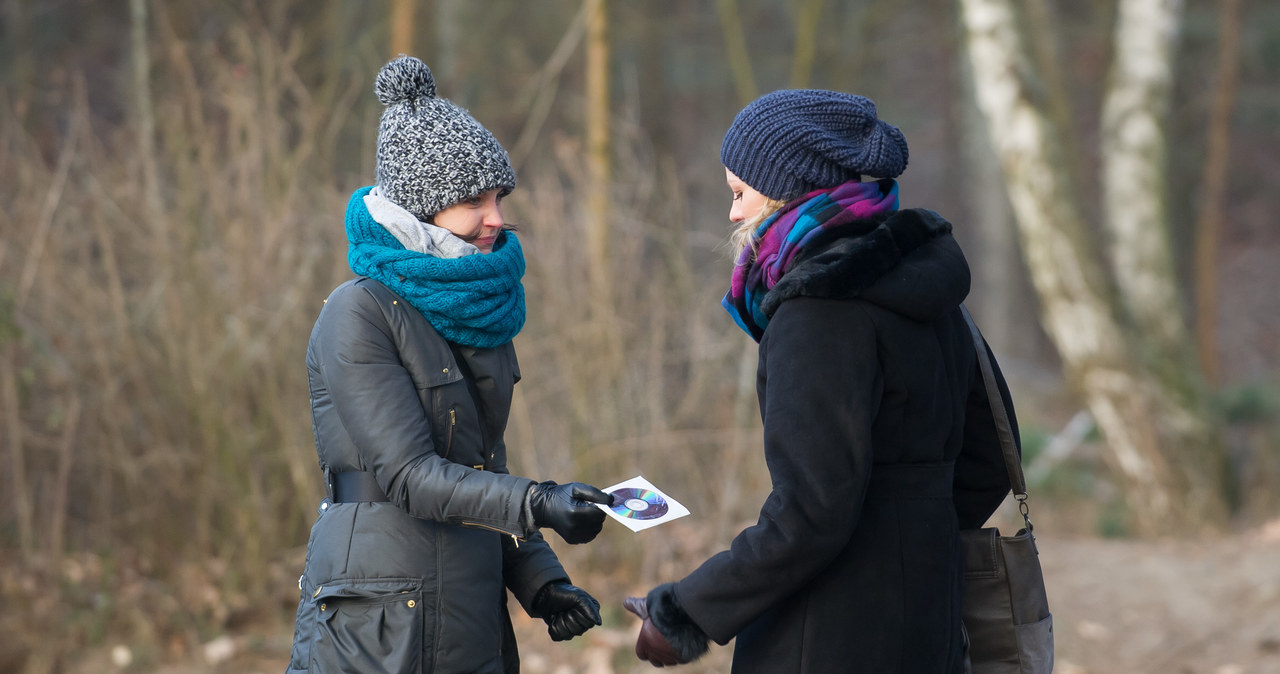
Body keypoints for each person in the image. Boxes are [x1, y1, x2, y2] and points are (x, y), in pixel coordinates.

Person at [624, 89, 1020, 672]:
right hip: (931, 619)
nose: (733, 214)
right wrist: (911, 541)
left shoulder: (818, 307)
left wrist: (685, 610)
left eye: (739, 193)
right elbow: (990, 457)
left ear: (790, 189)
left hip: (827, 634)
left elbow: (812, 511)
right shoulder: (926, 283)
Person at [285, 55, 613, 674]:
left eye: (499, 197)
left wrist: (540, 581)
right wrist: (541, 501)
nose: (496, 218)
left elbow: (482, 468)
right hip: (378, 621)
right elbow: (411, 476)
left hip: (469, 597)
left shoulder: (477, 308)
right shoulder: (359, 313)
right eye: (472, 201)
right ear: (418, 209)